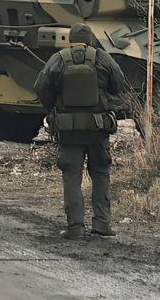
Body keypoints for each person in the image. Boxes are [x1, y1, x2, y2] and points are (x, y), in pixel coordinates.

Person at [33, 23, 124, 239]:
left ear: (70, 40)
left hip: (69, 129)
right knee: (101, 174)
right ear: (90, 39)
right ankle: (102, 224)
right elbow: (119, 83)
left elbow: (41, 87)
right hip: (98, 128)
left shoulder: (59, 59)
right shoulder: (102, 58)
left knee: (71, 176)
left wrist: (53, 109)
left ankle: (75, 227)